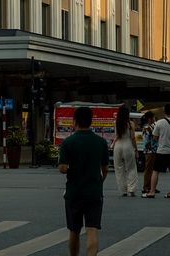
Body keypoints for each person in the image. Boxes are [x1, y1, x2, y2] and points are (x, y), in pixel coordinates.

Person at [59, 106, 109, 256]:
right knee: (92, 230)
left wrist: (71, 169)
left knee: (74, 231)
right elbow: (105, 168)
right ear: (91, 121)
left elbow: (62, 168)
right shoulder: (101, 142)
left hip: (74, 192)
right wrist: (99, 181)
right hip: (94, 192)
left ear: (74, 121)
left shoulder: (68, 142)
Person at [112, 105, 137, 197]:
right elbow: (133, 137)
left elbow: (116, 136)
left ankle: (123, 190)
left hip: (118, 145)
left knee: (119, 168)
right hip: (128, 145)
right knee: (131, 168)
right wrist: (136, 149)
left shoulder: (116, 123)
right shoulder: (130, 124)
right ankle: (131, 189)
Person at [140, 113, 157, 195]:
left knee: (152, 169)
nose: (155, 119)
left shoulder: (150, 127)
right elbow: (149, 140)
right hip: (150, 151)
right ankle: (146, 187)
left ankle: (151, 186)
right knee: (148, 169)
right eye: (154, 117)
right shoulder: (147, 128)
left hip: (152, 150)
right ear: (150, 119)